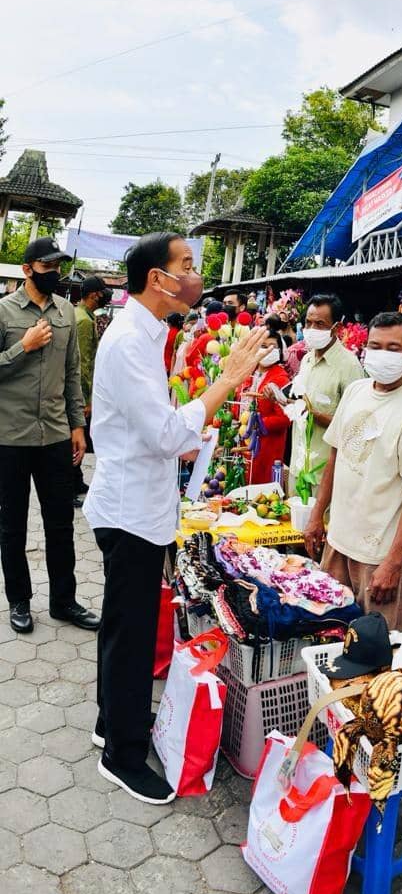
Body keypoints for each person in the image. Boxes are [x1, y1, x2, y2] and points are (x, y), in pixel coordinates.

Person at [84, 231, 271, 804]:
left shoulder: (151, 334)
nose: (195, 275)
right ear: (156, 279)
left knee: (128, 627)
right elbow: (165, 433)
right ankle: (121, 754)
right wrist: (228, 379)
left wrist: (190, 430)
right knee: (132, 633)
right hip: (130, 511)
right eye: (186, 265)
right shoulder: (125, 342)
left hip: (143, 501)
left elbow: (158, 426)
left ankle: (113, 720)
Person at [304, 312, 402, 631]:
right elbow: (335, 457)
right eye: (375, 346)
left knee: (377, 647)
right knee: (330, 633)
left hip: (378, 556)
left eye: (393, 348)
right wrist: (316, 516)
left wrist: (393, 562)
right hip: (338, 540)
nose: (383, 354)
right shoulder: (357, 391)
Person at [0, 238, 100, 635]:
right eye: (46, 266)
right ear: (27, 269)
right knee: (12, 525)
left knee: (60, 523)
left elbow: (72, 374)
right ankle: (19, 601)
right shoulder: (4, 312)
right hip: (10, 437)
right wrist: (21, 348)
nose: (54, 273)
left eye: (58, 265)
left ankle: (63, 600)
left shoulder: (66, 314)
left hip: (56, 435)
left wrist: (78, 427)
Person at [287, 293, 363, 489]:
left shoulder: (349, 366)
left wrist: (316, 416)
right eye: (308, 323)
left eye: (320, 324)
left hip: (325, 477)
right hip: (299, 467)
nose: (311, 329)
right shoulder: (307, 360)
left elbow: (356, 426)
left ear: (336, 328)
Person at [74, 275, 112, 506]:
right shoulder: (84, 321)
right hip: (80, 392)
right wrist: (86, 399)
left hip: (81, 391)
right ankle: (68, 487)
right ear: (92, 294)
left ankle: (76, 480)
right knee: (77, 439)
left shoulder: (84, 316)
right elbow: (83, 363)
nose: (104, 296)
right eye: (102, 291)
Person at [236, 325, 290, 485]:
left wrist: (256, 425)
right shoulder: (249, 373)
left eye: (273, 347)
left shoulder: (281, 379)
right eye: (264, 346)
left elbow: (285, 418)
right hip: (244, 442)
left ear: (280, 351)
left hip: (266, 447)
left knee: (260, 490)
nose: (268, 350)